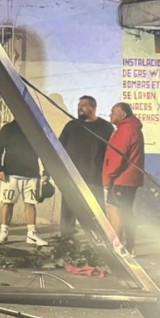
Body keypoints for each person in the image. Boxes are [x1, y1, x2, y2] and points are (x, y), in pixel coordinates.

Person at [58, 95, 115, 238]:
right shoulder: (71, 126)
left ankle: (99, 235)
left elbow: (112, 152)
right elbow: (59, 147)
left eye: (84, 105)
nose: (80, 108)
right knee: (68, 207)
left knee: (96, 207)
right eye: (79, 105)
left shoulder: (105, 127)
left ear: (93, 108)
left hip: (94, 175)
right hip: (71, 174)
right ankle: (66, 235)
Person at [0, 119, 49, 246]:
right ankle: (4, 233)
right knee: (7, 203)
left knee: (31, 204)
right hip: (11, 174)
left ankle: (32, 234)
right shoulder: (8, 128)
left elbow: (44, 152)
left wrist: (46, 172)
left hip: (32, 174)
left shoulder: (35, 128)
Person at [103, 102, 145, 253]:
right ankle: (129, 247)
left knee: (115, 211)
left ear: (123, 115)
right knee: (126, 211)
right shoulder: (132, 128)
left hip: (121, 179)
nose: (110, 115)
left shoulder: (125, 130)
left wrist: (108, 180)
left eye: (114, 112)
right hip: (129, 180)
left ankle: (117, 247)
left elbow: (116, 159)